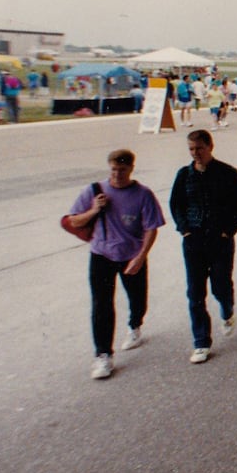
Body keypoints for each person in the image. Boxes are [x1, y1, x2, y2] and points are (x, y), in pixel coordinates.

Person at [67, 149, 165, 380]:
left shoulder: (143, 194)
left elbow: (151, 227)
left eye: (122, 170)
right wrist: (94, 209)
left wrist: (141, 256)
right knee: (101, 304)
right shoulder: (94, 191)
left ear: (131, 169)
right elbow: (73, 220)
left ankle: (135, 324)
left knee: (137, 298)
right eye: (113, 169)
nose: (117, 174)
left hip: (131, 254)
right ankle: (103, 355)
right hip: (101, 254)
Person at [169, 130, 237, 364]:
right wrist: (184, 228)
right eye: (192, 149)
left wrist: (229, 230)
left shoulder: (228, 173)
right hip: (193, 240)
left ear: (210, 146)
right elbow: (176, 204)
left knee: (220, 285)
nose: (196, 154)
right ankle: (201, 341)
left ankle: (227, 310)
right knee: (195, 292)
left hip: (220, 239)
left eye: (200, 149)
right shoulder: (184, 175)